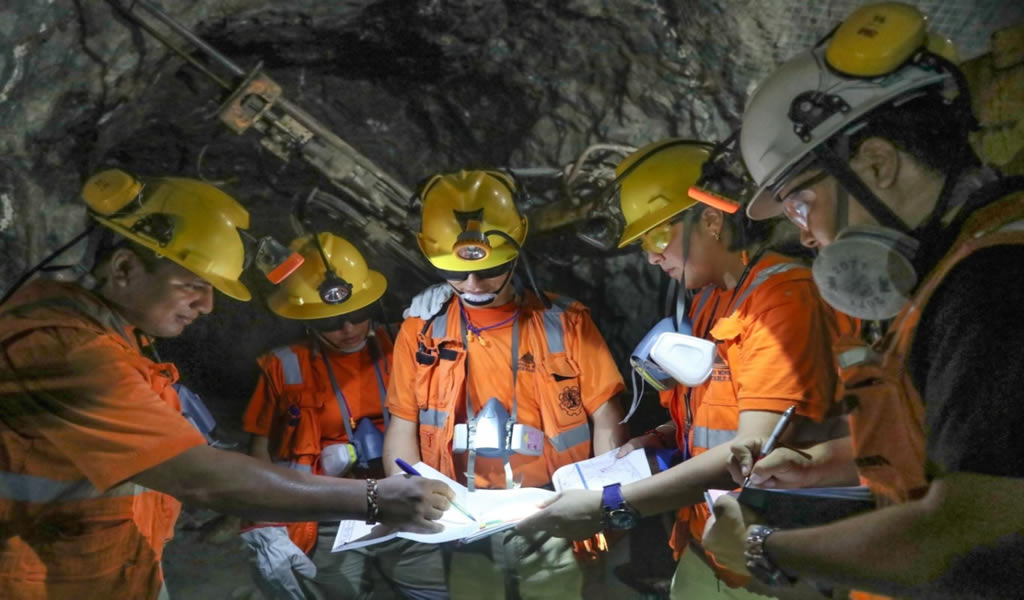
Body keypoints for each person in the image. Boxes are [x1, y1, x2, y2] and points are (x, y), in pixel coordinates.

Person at [0, 169, 453, 600]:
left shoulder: (120, 343)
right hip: (47, 584)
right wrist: (371, 498)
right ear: (122, 269)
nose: (206, 305)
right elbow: (201, 477)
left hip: (109, 573)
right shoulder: (68, 353)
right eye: (191, 285)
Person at [701, 3, 1024, 598]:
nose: (802, 233)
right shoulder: (951, 268)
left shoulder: (996, 286)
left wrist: (759, 549)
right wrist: (831, 459)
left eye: (801, 202)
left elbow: (963, 536)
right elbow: (971, 438)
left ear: (876, 165)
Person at [516, 138, 852, 600]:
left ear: (711, 220)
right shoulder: (712, 301)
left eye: (657, 237)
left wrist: (612, 505)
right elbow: (714, 420)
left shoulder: (782, 301)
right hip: (705, 547)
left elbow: (751, 450)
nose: (651, 257)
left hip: (767, 565)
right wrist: (654, 444)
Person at [382, 169, 629, 599]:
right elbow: (402, 422)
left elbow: (607, 419)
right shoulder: (420, 332)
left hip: (553, 512)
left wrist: (603, 502)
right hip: (461, 520)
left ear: (517, 246)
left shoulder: (566, 323)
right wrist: (406, 496)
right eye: (455, 273)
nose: (473, 285)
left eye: (490, 269)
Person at [242, 232, 448, 600]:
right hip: (328, 516)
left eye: (356, 314)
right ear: (307, 321)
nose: (348, 329)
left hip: (405, 501)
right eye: (330, 322)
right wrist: (263, 522)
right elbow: (260, 454)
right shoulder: (284, 367)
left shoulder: (403, 346)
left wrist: (455, 303)